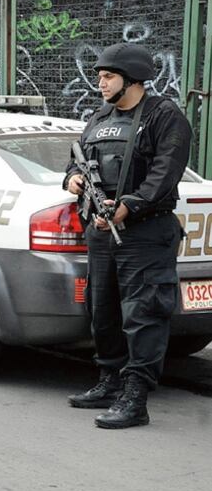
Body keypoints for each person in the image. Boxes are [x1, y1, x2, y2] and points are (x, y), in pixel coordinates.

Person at [63, 43, 192, 429]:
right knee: (101, 310)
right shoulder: (99, 117)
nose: (99, 83)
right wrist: (71, 178)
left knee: (144, 313)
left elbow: (165, 172)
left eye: (108, 77)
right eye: (100, 76)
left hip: (145, 232)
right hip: (101, 233)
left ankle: (136, 397)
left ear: (132, 79)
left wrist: (129, 206)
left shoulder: (163, 116)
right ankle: (109, 380)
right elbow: (76, 159)